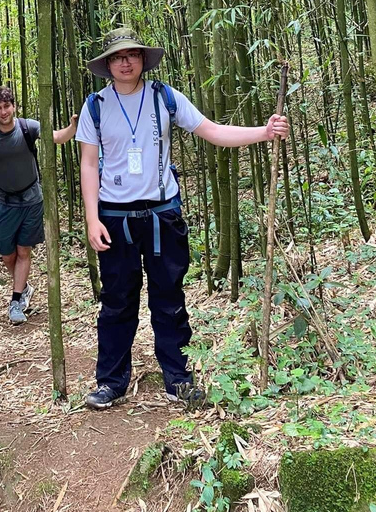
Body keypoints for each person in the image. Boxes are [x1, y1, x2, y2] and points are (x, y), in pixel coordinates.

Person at [76, 28, 289, 409]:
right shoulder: (94, 106)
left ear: (143, 59)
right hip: (115, 217)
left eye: (132, 54)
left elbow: (213, 131)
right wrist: (92, 219)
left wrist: (264, 131)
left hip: (162, 215)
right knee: (116, 302)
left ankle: (178, 378)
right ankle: (110, 382)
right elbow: (89, 164)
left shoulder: (165, 97)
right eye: (117, 57)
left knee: (170, 298)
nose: (125, 62)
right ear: (107, 65)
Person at [0, 86, 78, 325]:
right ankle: (24, 287)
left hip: (31, 199)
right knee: (7, 254)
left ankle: (16, 299)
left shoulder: (27, 127)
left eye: (7, 106)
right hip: (6, 201)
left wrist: (73, 125)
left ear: (14, 106)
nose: (3, 112)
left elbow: (58, 138)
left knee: (23, 251)